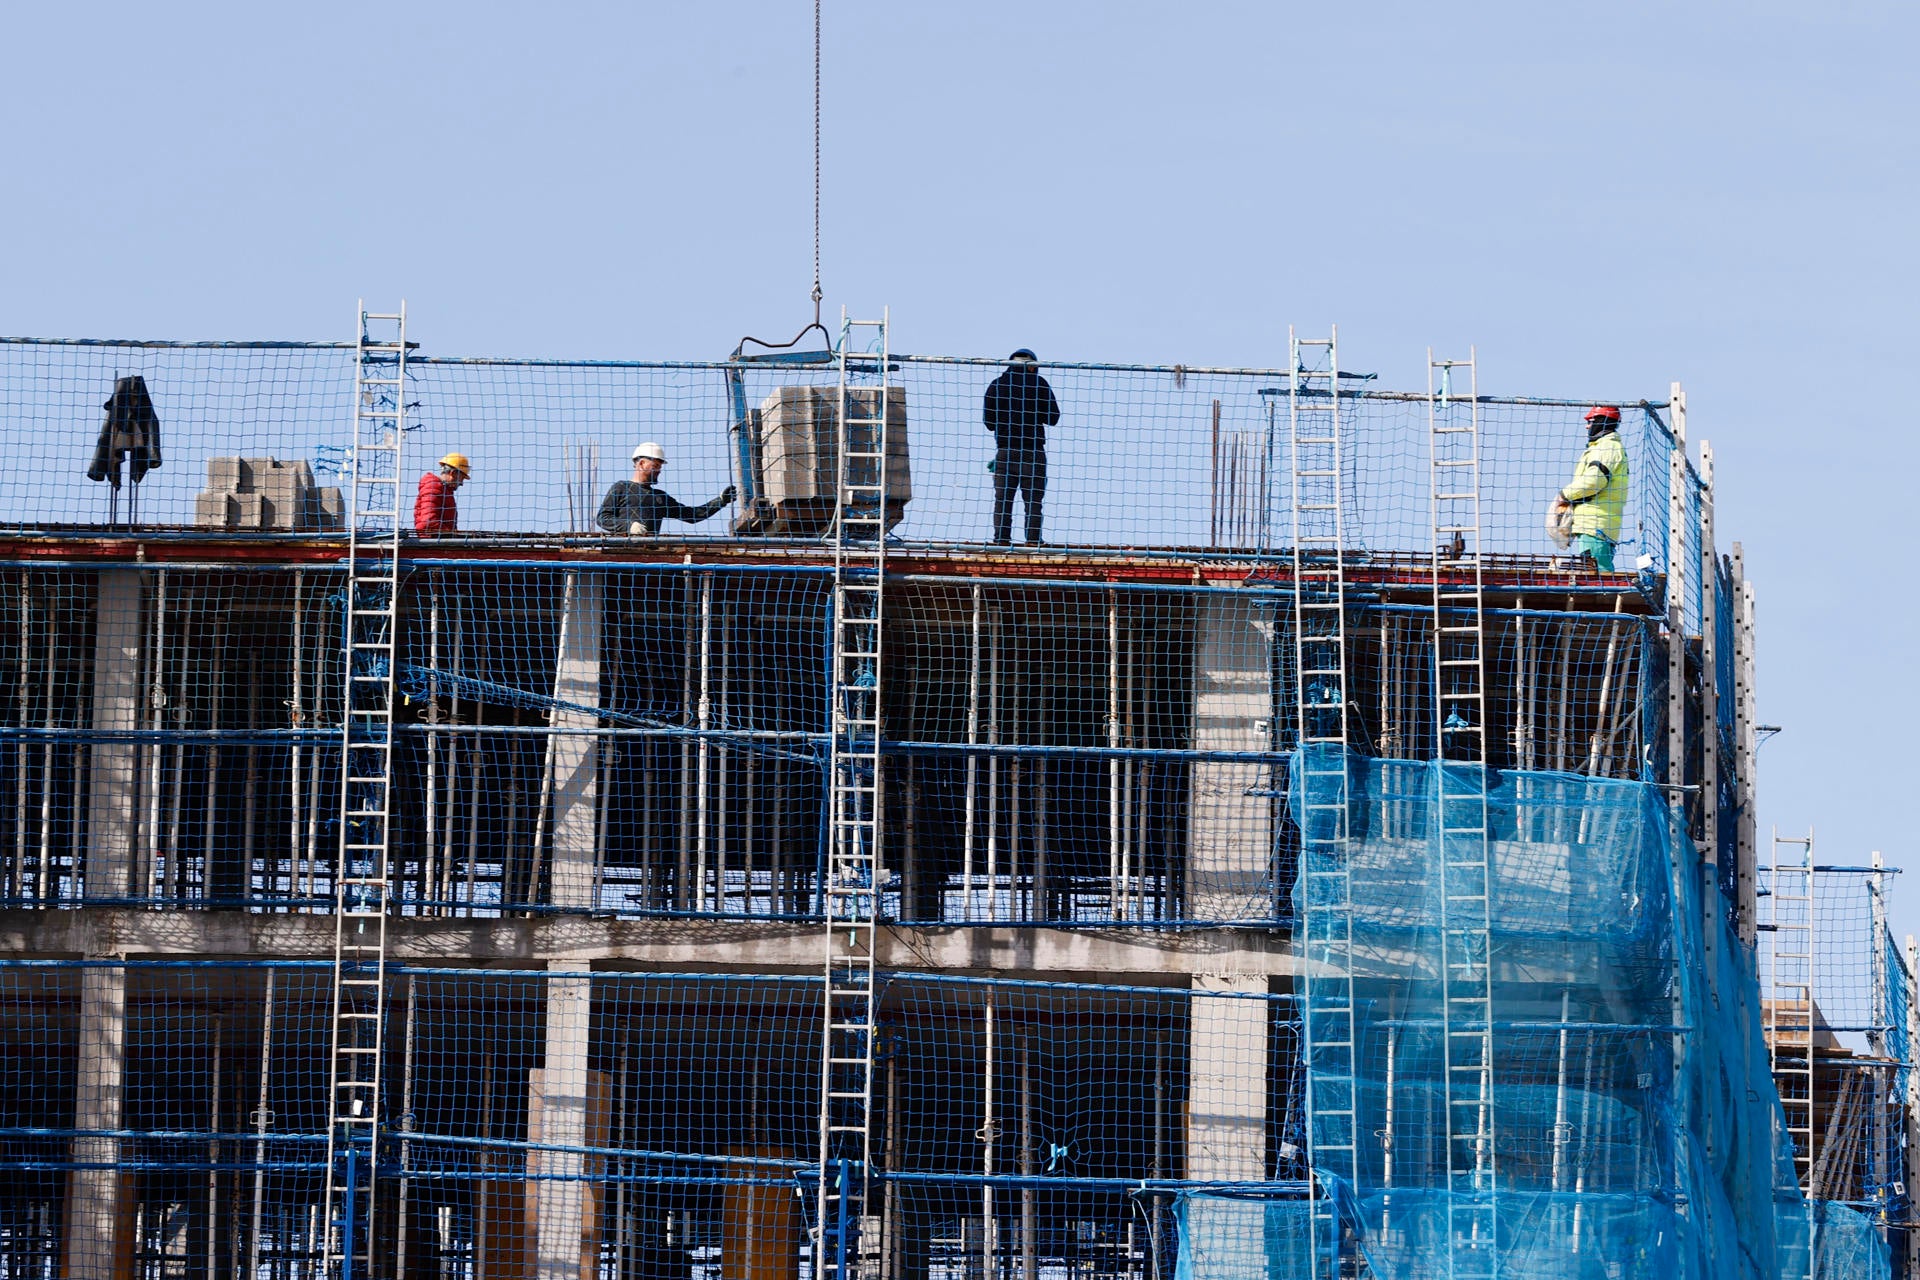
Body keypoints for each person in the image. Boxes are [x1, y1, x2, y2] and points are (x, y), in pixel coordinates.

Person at [982, 348, 1060, 545]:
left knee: (1003, 500)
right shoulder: (1039, 383)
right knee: (1033, 501)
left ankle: (1001, 540)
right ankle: (1033, 541)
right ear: (1033, 367)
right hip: (1033, 452)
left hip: (1005, 452)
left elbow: (989, 423)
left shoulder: (997, 385)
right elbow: (1053, 417)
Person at [597, 442, 736, 536]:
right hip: (621, 552)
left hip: (650, 556)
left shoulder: (660, 498)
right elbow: (602, 518)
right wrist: (629, 526)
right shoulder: (621, 487)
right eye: (655, 466)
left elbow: (692, 515)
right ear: (642, 463)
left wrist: (720, 501)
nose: (659, 470)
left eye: (660, 467)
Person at [1552, 406, 1629, 570]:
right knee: (1595, 572)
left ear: (1602, 422)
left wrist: (1564, 495)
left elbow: (1594, 481)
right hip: (1596, 524)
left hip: (1595, 524)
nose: (1587, 426)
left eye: (1590, 421)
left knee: (1598, 575)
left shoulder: (1607, 447)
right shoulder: (1605, 447)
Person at [414, 453, 469, 536]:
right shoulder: (433, 487)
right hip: (432, 541)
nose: (461, 483)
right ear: (453, 473)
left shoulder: (443, 490)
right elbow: (429, 521)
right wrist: (454, 535)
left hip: (437, 539)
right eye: (461, 478)